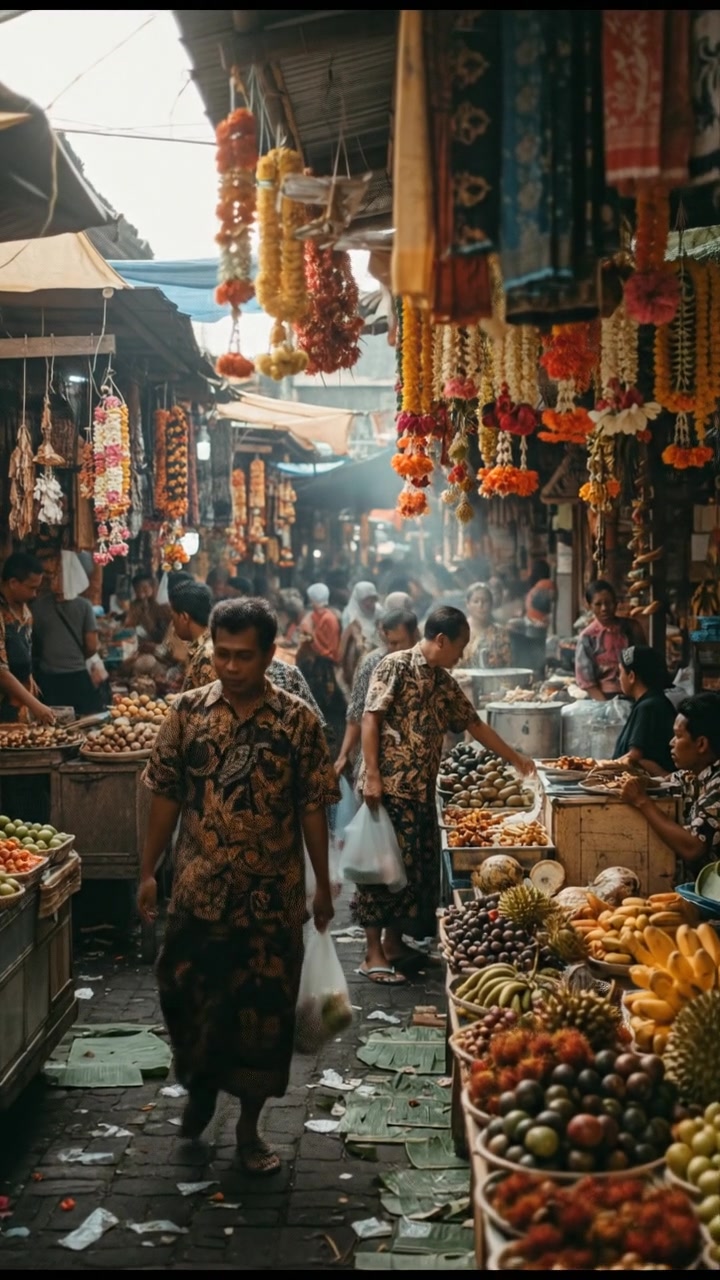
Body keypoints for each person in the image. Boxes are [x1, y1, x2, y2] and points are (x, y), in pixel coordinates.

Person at [137, 599, 339, 1172]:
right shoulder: (186, 713)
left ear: (270, 654)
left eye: (243, 656)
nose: (230, 666)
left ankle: (249, 1128)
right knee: (184, 996)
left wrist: (323, 887)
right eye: (222, 654)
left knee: (263, 1018)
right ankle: (200, 1083)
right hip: (197, 891)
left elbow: (313, 810)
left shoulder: (298, 721)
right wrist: (148, 871)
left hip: (270, 900)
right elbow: (166, 795)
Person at [357, 606, 535, 984]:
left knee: (406, 872)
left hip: (420, 790)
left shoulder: (442, 681)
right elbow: (370, 717)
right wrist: (372, 776)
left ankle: (393, 944)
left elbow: (473, 724)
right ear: (441, 640)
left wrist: (516, 758)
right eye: (461, 645)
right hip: (388, 788)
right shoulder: (396, 666)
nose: (463, 654)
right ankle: (371, 954)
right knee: (378, 870)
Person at [169, 580, 326, 724]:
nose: (232, 667)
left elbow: (217, 718)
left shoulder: (208, 653)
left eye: (244, 656)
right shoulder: (209, 648)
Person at [621, 693, 720, 880]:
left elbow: (693, 848)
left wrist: (643, 801)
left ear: (701, 744)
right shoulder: (695, 774)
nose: (671, 743)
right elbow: (668, 781)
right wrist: (639, 776)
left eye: (678, 736)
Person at [334, 608, 419, 777]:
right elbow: (357, 713)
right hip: (378, 757)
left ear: (414, 636)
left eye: (397, 643)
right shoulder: (373, 663)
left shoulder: (426, 663)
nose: (392, 649)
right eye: (389, 643)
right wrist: (343, 755)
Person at [31, 566, 105, 716]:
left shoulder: (37, 606)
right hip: (77, 677)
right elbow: (91, 646)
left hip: (49, 678)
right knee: (82, 724)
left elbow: (35, 641)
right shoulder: (84, 605)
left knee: (51, 728)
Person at [0, 553, 54, 724]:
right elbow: (0, 671)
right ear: (13, 583)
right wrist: (36, 706)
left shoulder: (26, 613)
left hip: (20, 706)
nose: (35, 594)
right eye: (31, 588)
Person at [575, 580, 645, 701]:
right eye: (598, 604)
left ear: (616, 602)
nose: (604, 608)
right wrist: (607, 707)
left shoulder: (632, 628)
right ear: (589, 605)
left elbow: (645, 665)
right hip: (603, 698)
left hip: (635, 696)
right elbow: (587, 682)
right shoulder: (587, 637)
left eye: (609, 603)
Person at [612, 645, 676, 775]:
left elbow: (634, 756)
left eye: (620, 672)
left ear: (631, 676)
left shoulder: (648, 707)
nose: (618, 678)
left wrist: (599, 768)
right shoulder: (652, 702)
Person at [298, 584, 346, 746]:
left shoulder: (328, 618)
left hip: (326, 666)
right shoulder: (317, 616)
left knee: (325, 701)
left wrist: (310, 637)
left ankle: (329, 738)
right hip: (319, 663)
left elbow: (330, 650)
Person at [340, 581, 381, 688]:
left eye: (372, 599)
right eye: (366, 600)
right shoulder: (350, 614)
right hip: (357, 658)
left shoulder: (379, 611)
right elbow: (346, 641)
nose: (370, 604)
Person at [461, 582, 511, 669]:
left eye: (485, 601)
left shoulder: (499, 633)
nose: (480, 605)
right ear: (467, 604)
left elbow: (507, 665)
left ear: (491, 604)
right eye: (476, 601)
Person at [125, 572, 171, 647]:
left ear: (152, 587)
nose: (142, 593)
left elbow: (161, 636)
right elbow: (129, 625)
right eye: (138, 590)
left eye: (145, 588)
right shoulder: (135, 605)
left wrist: (146, 617)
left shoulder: (162, 606)